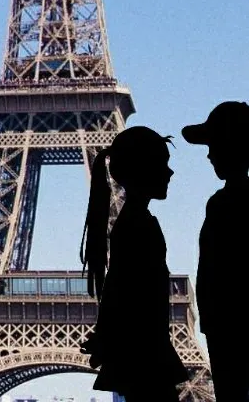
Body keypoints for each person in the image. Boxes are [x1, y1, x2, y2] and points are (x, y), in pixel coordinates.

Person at [80, 126, 188, 402]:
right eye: (162, 165)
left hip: (140, 352)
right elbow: (124, 289)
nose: (170, 172)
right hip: (146, 353)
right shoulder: (138, 224)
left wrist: (106, 334)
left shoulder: (132, 222)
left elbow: (117, 288)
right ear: (142, 171)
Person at [182, 101, 249, 402]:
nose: (209, 154)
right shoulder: (221, 203)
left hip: (228, 330)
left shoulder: (222, 205)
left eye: (214, 144)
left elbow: (212, 273)